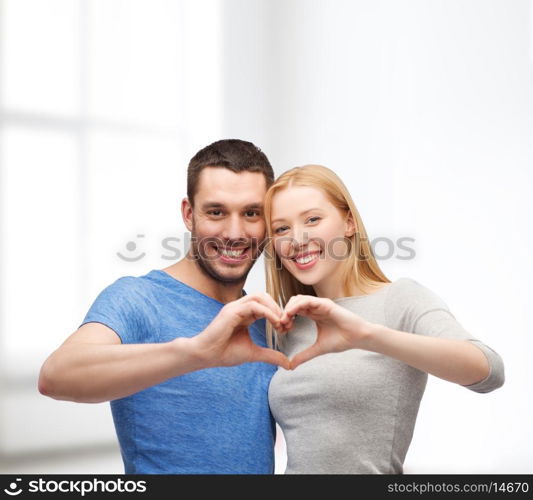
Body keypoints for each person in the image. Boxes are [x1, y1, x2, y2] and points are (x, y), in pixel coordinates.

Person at [38, 139, 290, 474]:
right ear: (189, 214)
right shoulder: (139, 298)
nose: (234, 232)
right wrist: (197, 352)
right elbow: (56, 376)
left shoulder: (262, 320)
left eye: (251, 213)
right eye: (216, 212)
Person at [263, 164, 505, 474]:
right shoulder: (288, 324)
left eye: (312, 219)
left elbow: (490, 371)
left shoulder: (399, 300)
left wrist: (366, 335)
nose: (296, 239)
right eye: (281, 229)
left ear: (349, 222)